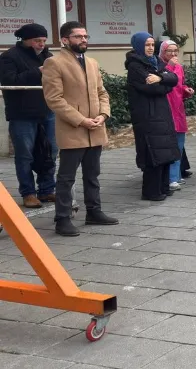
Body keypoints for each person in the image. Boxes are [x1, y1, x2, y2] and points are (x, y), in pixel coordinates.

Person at [41, 21, 117, 236]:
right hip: (73, 128)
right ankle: (62, 219)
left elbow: (102, 92)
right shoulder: (54, 63)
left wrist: (103, 115)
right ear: (65, 40)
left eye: (85, 36)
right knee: (66, 177)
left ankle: (94, 211)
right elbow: (54, 99)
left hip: (96, 127)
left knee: (93, 174)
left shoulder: (92, 62)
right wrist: (81, 120)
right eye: (78, 37)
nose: (83, 40)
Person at [0, 23, 56, 209]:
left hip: (47, 110)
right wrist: (37, 71)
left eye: (43, 40)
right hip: (22, 114)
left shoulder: (48, 56)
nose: (41, 44)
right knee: (25, 155)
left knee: (51, 151)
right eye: (37, 41)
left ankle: (47, 189)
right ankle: (28, 193)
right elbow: (9, 81)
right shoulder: (9, 57)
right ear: (25, 40)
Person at [125, 32, 181, 202]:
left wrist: (160, 78)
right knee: (152, 153)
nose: (150, 48)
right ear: (138, 46)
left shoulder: (154, 62)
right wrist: (164, 84)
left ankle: (163, 187)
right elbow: (152, 89)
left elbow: (174, 79)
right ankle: (151, 191)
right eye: (146, 45)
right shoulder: (135, 66)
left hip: (161, 113)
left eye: (152, 45)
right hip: (147, 115)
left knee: (164, 152)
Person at [159, 40, 194, 190]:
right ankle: (170, 178)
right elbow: (163, 82)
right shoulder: (159, 66)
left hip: (178, 108)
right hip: (166, 108)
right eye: (169, 51)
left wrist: (187, 90)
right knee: (169, 145)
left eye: (175, 51)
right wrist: (171, 66)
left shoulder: (179, 67)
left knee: (179, 145)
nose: (173, 54)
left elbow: (180, 86)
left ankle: (177, 175)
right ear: (163, 52)